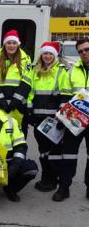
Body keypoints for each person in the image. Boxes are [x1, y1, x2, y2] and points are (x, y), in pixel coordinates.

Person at [27, 42, 71, 192]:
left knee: (55, 150)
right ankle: (47, 176)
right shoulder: (35, 70)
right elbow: (30, 93)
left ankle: (52, 179)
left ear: (55, 55)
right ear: (41, 55)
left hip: (54, 119)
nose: (47, 56)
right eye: (45, 53)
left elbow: (65, 94)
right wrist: (29, 111)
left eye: (50, 53)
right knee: (43, 150)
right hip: (38, 118)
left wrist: (60, 116)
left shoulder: (61, 71)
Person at [53, 39, 89, 202]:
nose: (84, 53)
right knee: (68, 154)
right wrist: (62, 115)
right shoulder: (72, 71)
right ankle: (64, 188)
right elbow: (65, 95)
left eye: (87, 49)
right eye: (80, 51)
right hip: (75, 120)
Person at [0, 29, 32, 130]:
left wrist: (16, 100)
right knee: (1, 134)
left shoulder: (26, 59)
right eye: (9, 43)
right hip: (0, 104)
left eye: (14, 43)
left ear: (18, 44)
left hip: (19, 104)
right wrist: (1, 100)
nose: (11, 45)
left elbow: (27, 81)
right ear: (4, 44)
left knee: (19, 136)